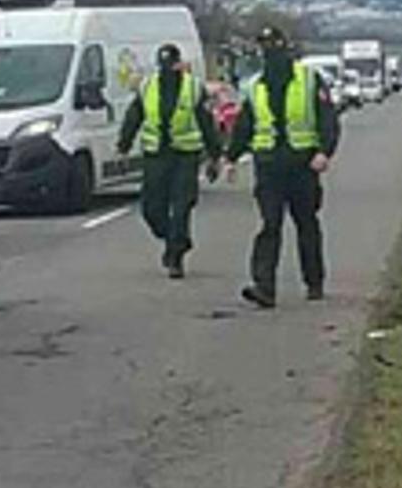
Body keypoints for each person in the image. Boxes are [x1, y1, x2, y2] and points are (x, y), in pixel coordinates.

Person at [228, 26, 342, 308]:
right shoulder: (256, 86)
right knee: (270, 225)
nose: (270, 53)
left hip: (302, 165)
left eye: (273, 47)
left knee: (306, 224)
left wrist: (324, 152)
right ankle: (264, 287)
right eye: (265, 48)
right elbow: (245, 124)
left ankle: (314, 281)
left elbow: (327, 118)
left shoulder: (308, 80)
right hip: (268, 167)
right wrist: (230, 157)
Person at [114, 41, 221, 276]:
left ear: (179, 65)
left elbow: (206, 124)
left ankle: (175, 257)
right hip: (156, 155)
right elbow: (134, 117)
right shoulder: (147, 86)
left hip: (185, 155)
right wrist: (123, 147)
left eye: (171, 65)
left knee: (182, 206)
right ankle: (175, 239)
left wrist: (215, 157)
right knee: (151, 209)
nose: (167, 71)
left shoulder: (193, 88)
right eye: (163, 66)